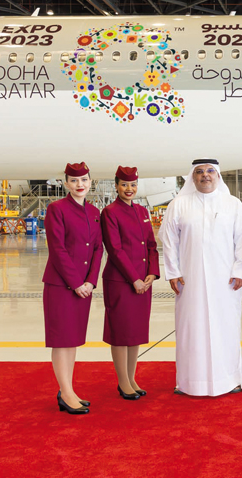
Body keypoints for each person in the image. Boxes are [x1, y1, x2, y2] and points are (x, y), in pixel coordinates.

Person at [159, 159, 242, 397]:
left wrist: (240, 271)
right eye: (199, 172)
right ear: (192, 177)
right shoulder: (179, 204)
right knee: (191, 328)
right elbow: (169, 241)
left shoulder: (233, 204)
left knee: (226, 326)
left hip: (226, 281)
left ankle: (229, 379)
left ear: (218, 176)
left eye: (210, 171)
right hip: (190, 280)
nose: (205, 176)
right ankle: (190, 382)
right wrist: (173, 272)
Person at [42, 162, 103, 415]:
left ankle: (68, 389)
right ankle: (66, 392)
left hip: (84, 287)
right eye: (75, 181)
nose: (81, 185)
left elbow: (98, 248)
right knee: (62, 340)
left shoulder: (94, 211)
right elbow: (58, 250)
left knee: (73, 340)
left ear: (90, 182)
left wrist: (90, 281)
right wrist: (77, 282)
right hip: (61, 285)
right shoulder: (57, 209)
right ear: (66, 183)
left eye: (85, 180)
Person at [100, 165, 160, 400]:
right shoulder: (110, 212)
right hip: (121, 281)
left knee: (135, 332)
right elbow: (114, 250)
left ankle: (132, 377)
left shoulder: (143, 211)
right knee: (121, 332)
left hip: (143, 282)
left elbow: (151, 246)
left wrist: (152, 274)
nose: (129, 189)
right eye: (124, 185)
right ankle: (122, 381)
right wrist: (134, 278)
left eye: (133, 185)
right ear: (116, 186)